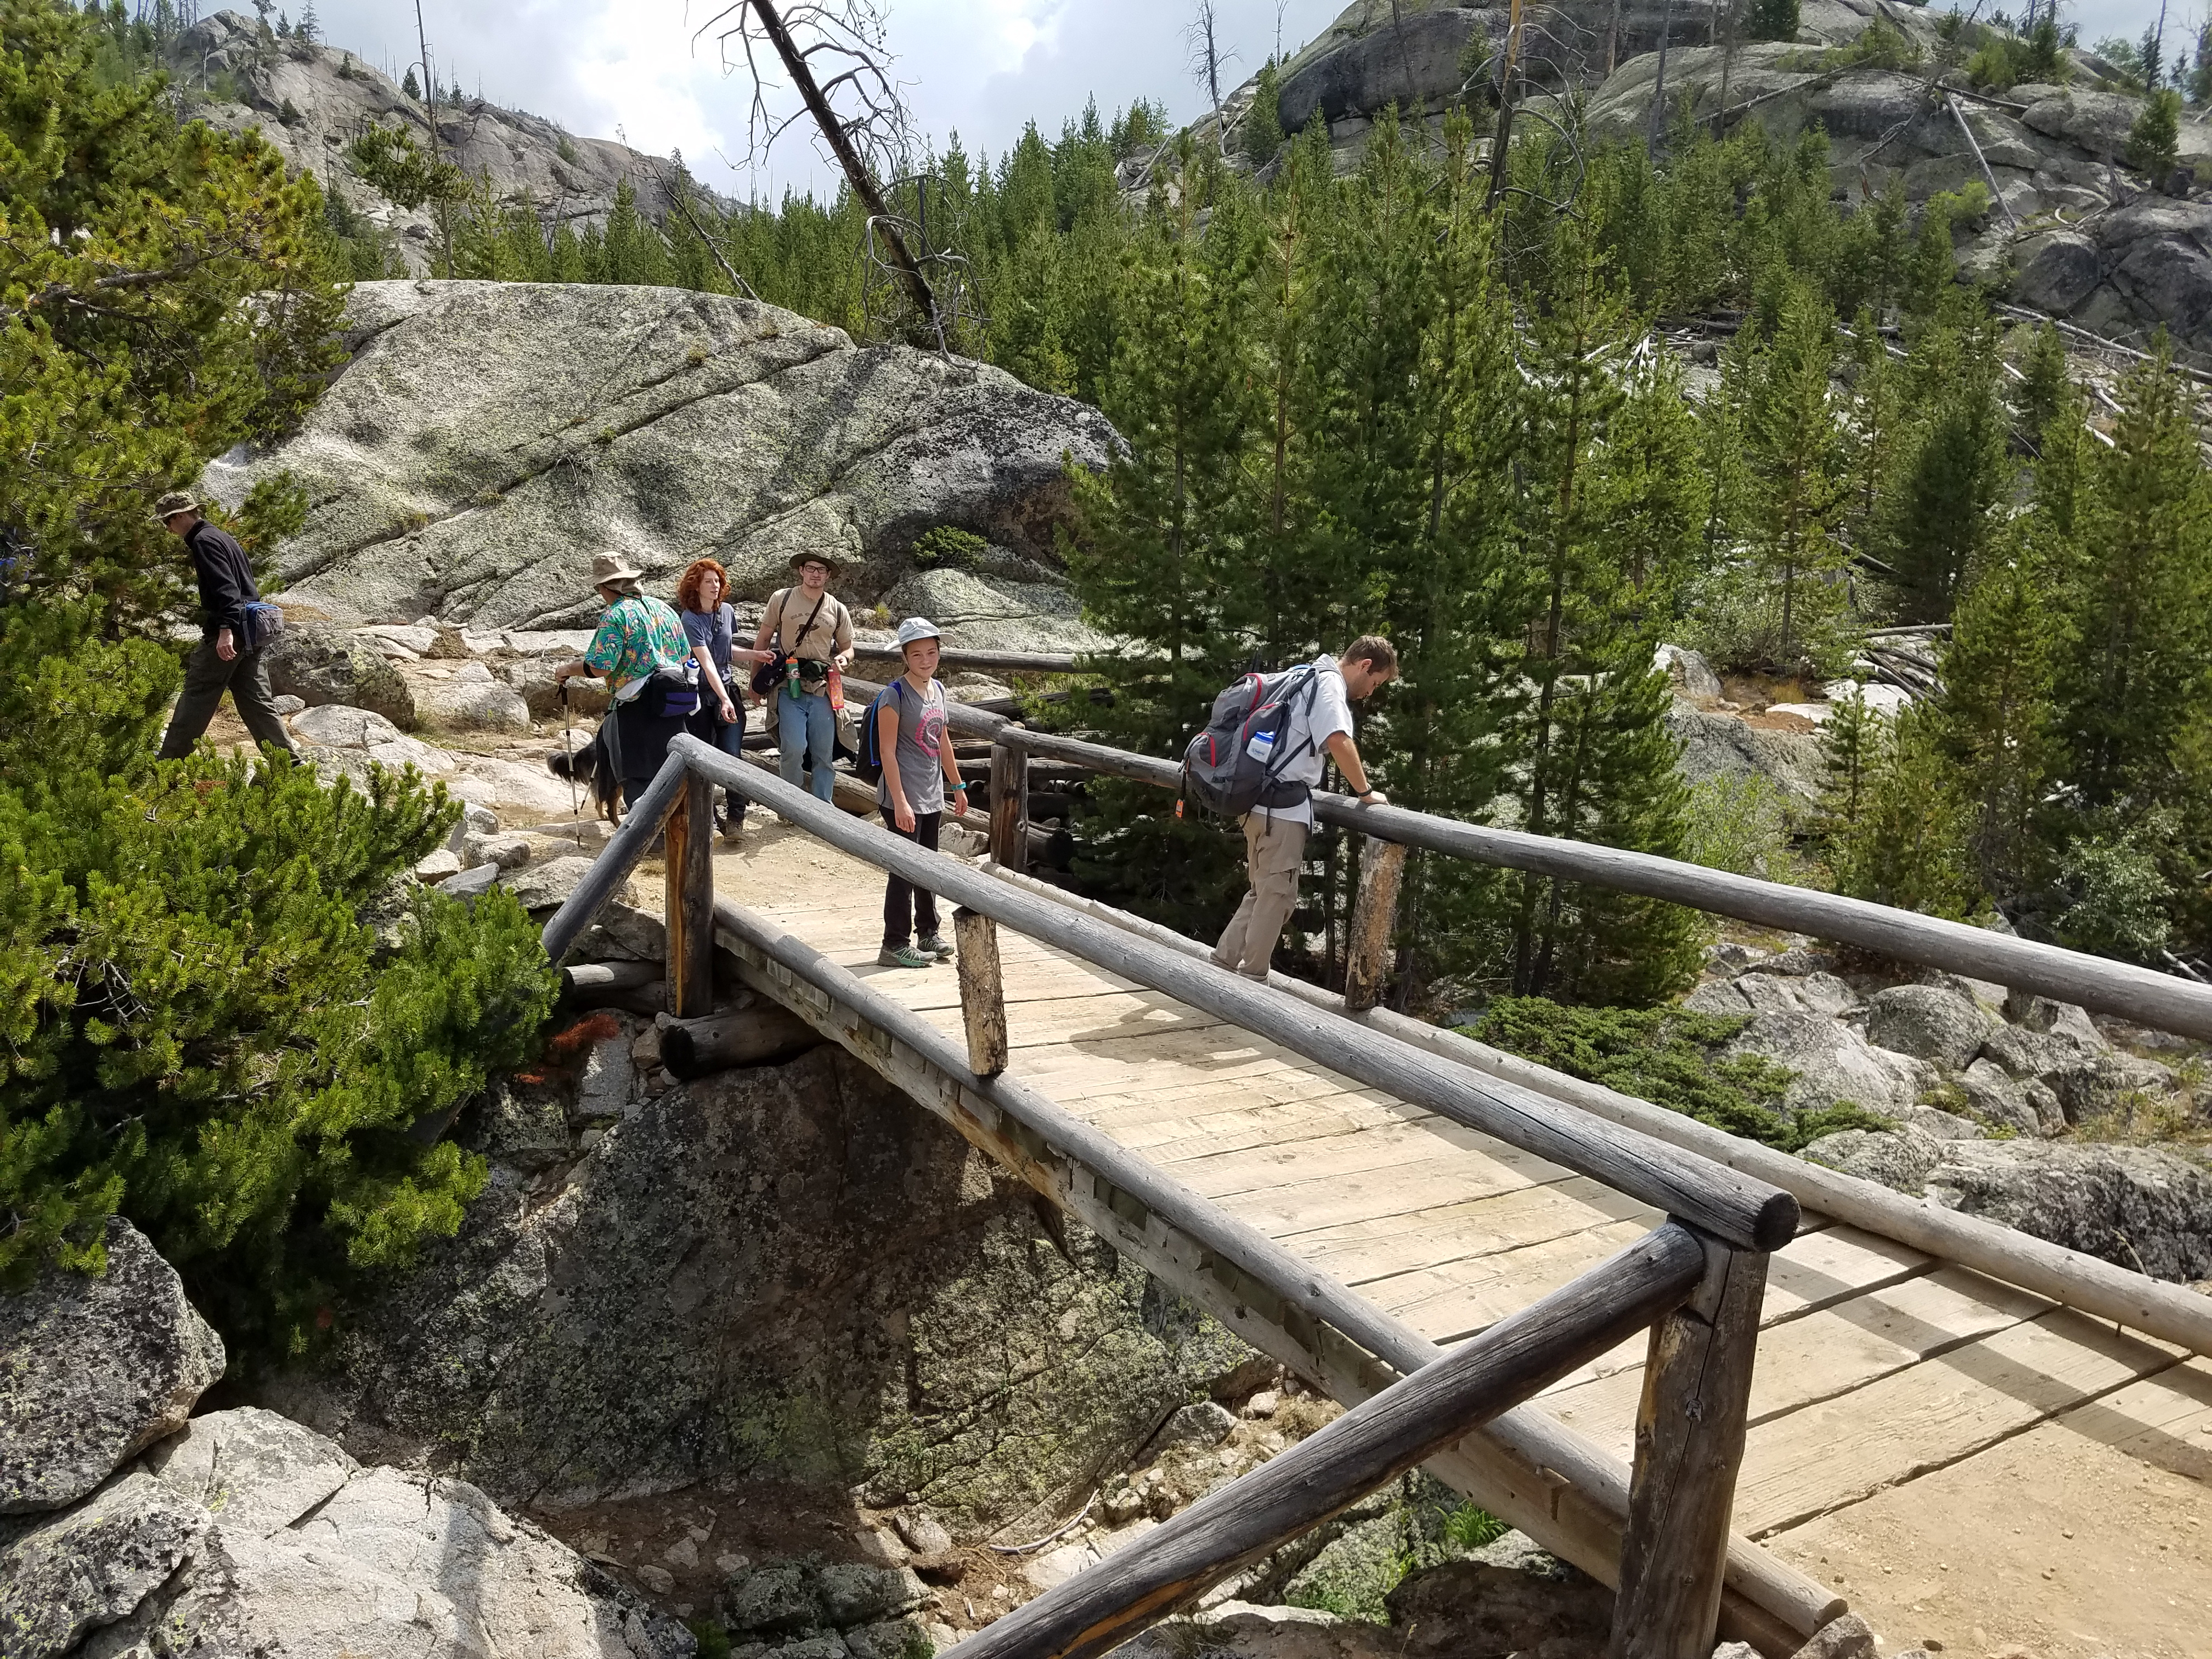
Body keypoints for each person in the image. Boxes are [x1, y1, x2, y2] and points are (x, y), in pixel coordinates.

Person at [1211, 635, 1400, 982]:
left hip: (1258, 804)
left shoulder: (1307, 673)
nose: (1371, 692)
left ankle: (1223, 964)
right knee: (1277, 896)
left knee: (1263, 892)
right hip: (1280, 812)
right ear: (1365, 665)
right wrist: (1366, 792)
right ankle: (1250, 980)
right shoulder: (1329, 685)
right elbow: (1338, 740)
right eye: (1374, 683)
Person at [552, 551, 731, 810]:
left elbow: (601, 667)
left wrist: (568, 669)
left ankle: (651, 841)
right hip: (673, 702)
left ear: (604, 587)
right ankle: (683, 834)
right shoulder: (664, 609)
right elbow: (683, 655)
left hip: (637, 706)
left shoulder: (615, 616)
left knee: (638, 773)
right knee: (673, 767)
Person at [153, 490, 298, 761]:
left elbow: (226, 589)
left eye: (167, 522)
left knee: (197, 696)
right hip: (251, 633)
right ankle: (288, 763)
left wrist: (225, 631)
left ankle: (168, 764)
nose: (168, 528)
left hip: (231, 632)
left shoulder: (203, 541)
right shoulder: (220, 536)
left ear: (181, 516)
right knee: (256, 701)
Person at [873, 618, 968, 970]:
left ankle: (928, 931)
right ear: (905, 657)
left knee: (927, 864)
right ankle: (894, 943)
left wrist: (956, 784)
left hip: (931, 793)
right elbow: (887, 752)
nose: (925, 660)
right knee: (903, 869)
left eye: (931, 653)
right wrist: (899, 801)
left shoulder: (938, 690)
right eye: (917, 654)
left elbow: (941, 738)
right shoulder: (893, 696)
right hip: (902, 794)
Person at [750, 552, 853, 802]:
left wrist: (844, 659)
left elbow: (848, 647)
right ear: (801, 571)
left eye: (821, 570)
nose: (816, 574)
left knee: (823, 753)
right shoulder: (782, 599)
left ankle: (822, 807)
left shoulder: (837, 609)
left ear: (828, 576)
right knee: (793, 749)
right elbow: (763, 641)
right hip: (788, 683)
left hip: (822, 686)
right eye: (810, 568)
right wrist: (755, 685)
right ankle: (792, 805)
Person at [675, 556, 757, 839]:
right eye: (708, 581)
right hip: (700, 697)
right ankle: (707, 819)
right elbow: (707, 661)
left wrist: (757, 655)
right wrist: (724, 700)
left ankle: (736, 819)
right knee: (703, 760)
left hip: (726, 691)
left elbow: (726, 650)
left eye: (717, 581)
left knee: (733, 756)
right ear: (695, 586)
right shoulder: (689, 618)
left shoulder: (727, 611)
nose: (714, 585)